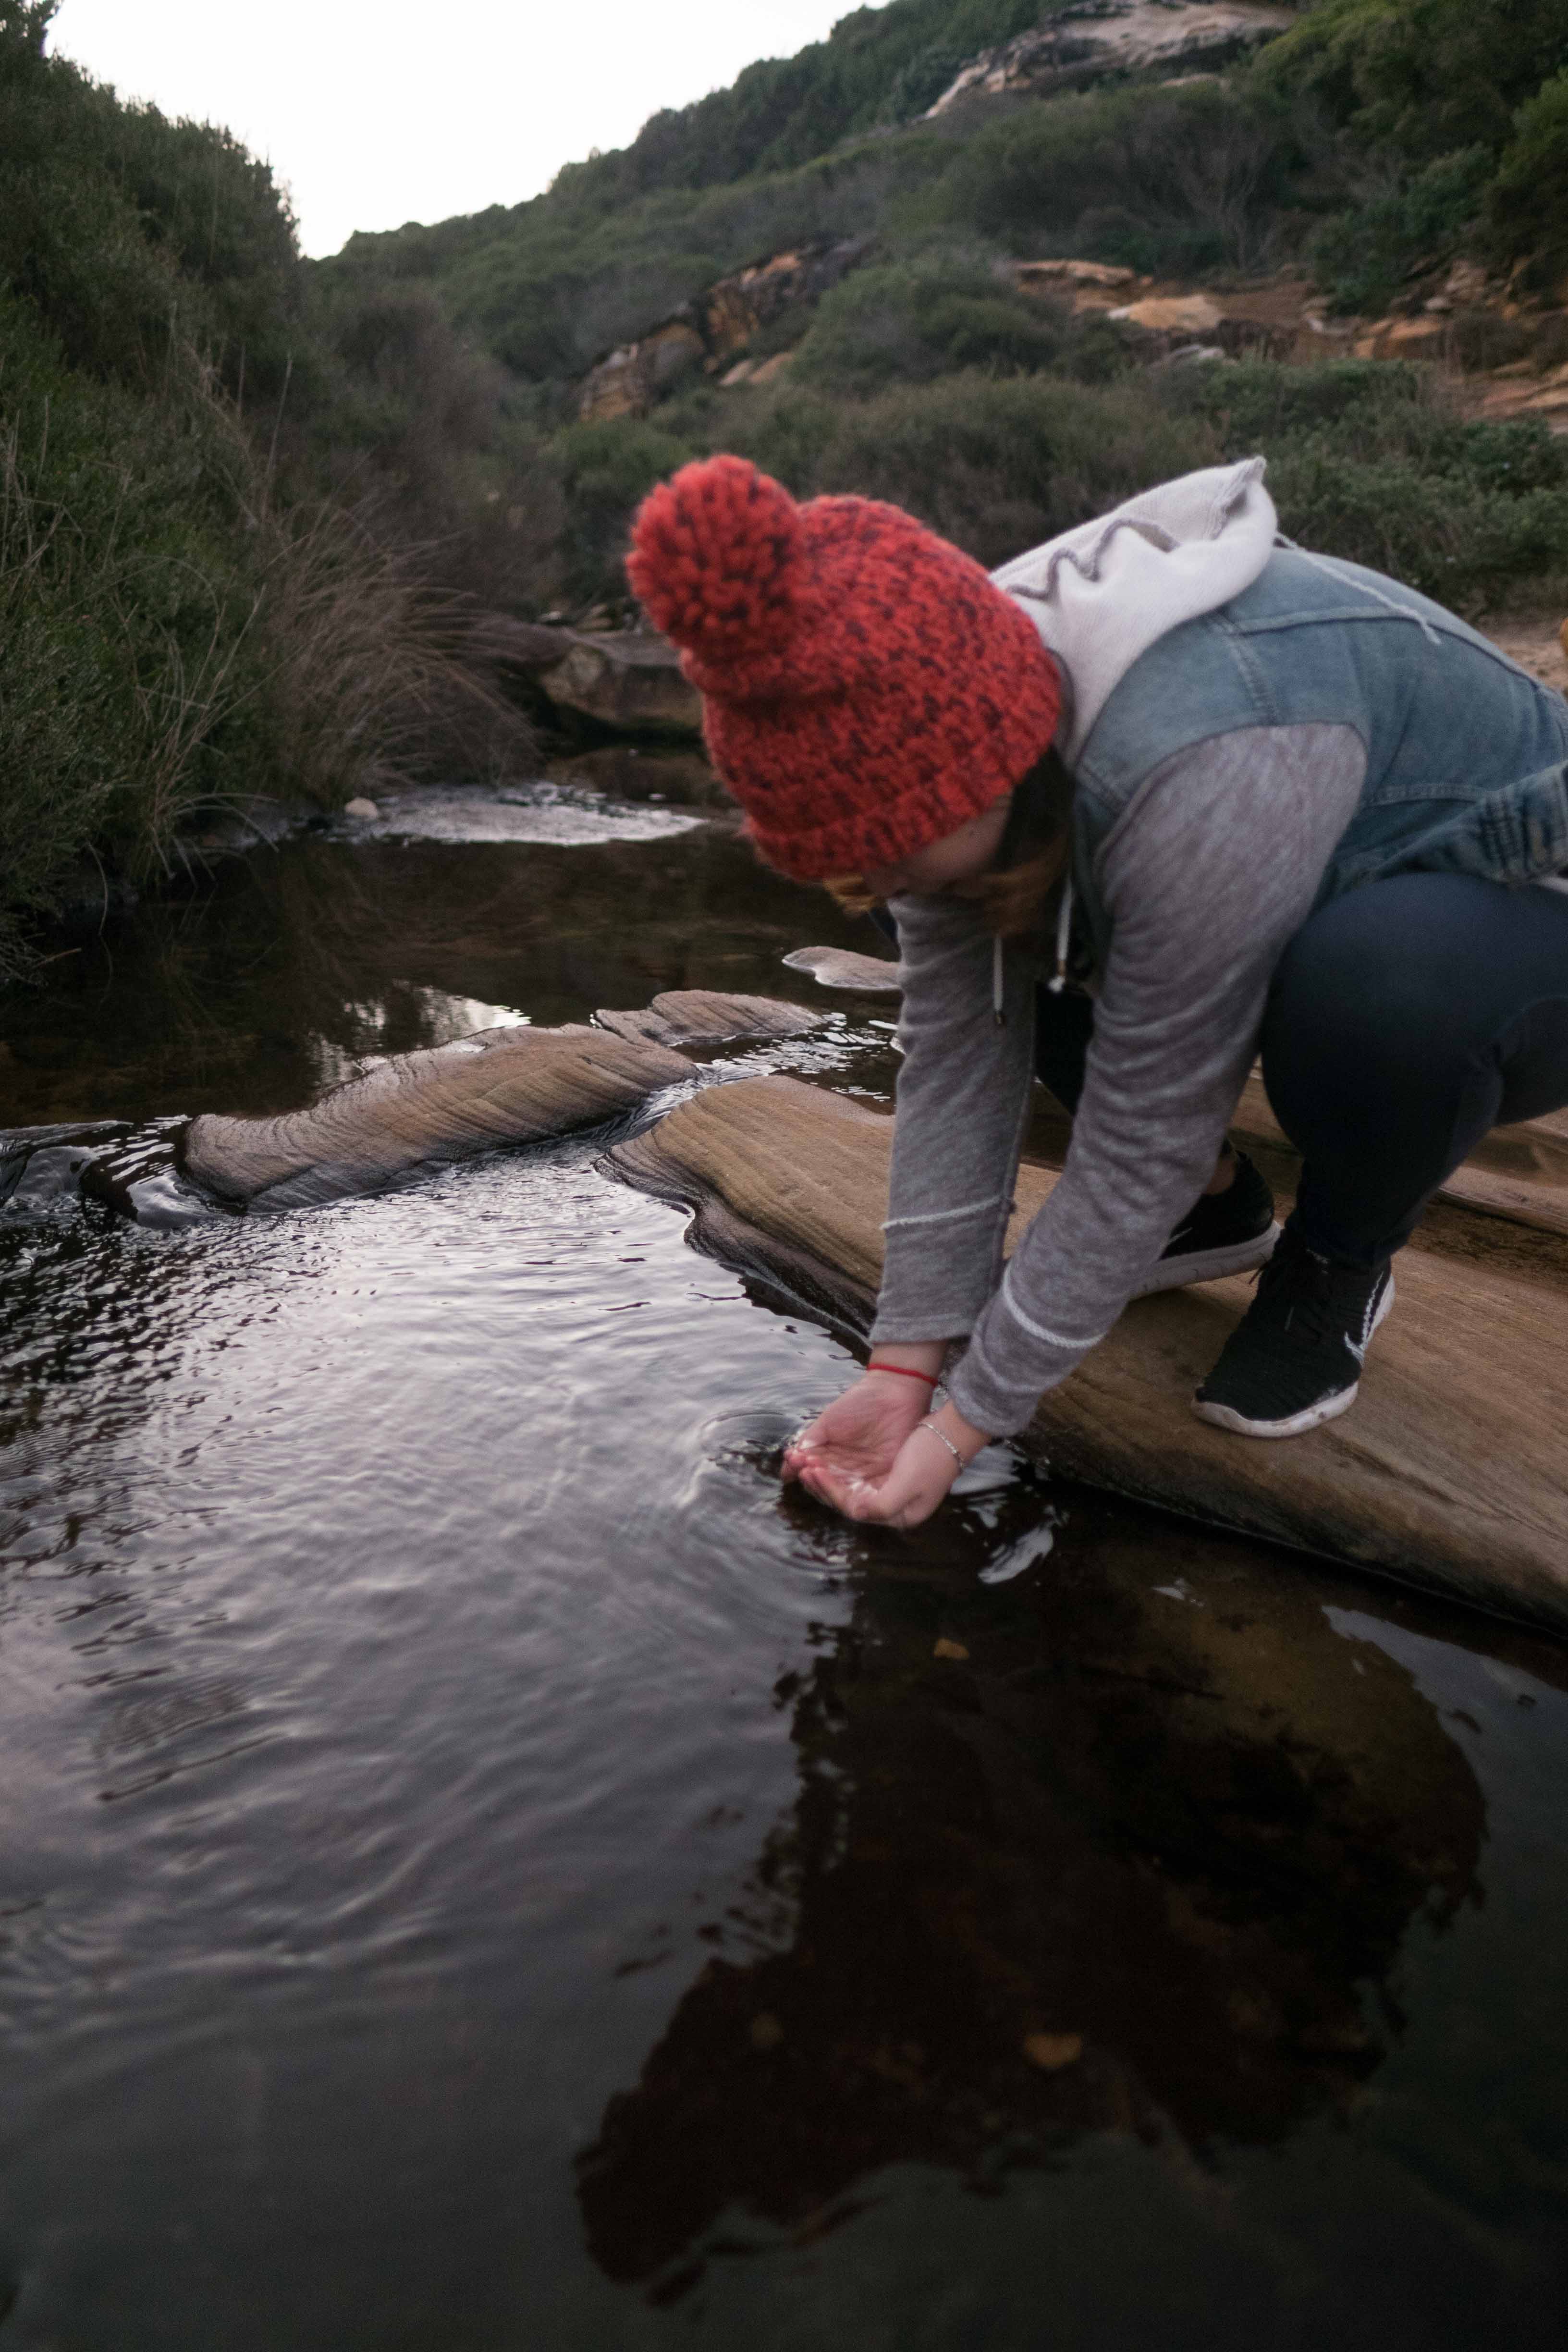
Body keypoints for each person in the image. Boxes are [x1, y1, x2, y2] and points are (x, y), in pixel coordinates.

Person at [626, 453, 1568, 1529]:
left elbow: (1144, 1132)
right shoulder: (958, 686)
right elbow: (959, 1060)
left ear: (987, 773)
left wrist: (966, 1425)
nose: (871, 879)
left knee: (1377, 991)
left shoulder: (1200, 758)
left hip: (1518, 916)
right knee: (938, 902)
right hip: (1296, 862)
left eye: (886, 845)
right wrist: (903, 1367)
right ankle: (1215, 1208)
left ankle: (1337, 1261)